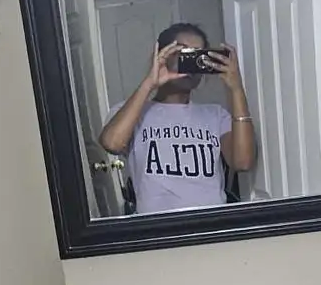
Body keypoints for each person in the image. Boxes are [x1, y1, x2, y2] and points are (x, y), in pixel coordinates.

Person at [97, 22, 256, 216]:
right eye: (181, 52)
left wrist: (236, 88)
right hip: (158, 227)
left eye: (197, 55)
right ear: (161, 56)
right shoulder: (132, 111)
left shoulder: (215, 115)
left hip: (212, 224)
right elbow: (112, 143)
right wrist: (150, 82)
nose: (189, 62)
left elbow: (243, 162)